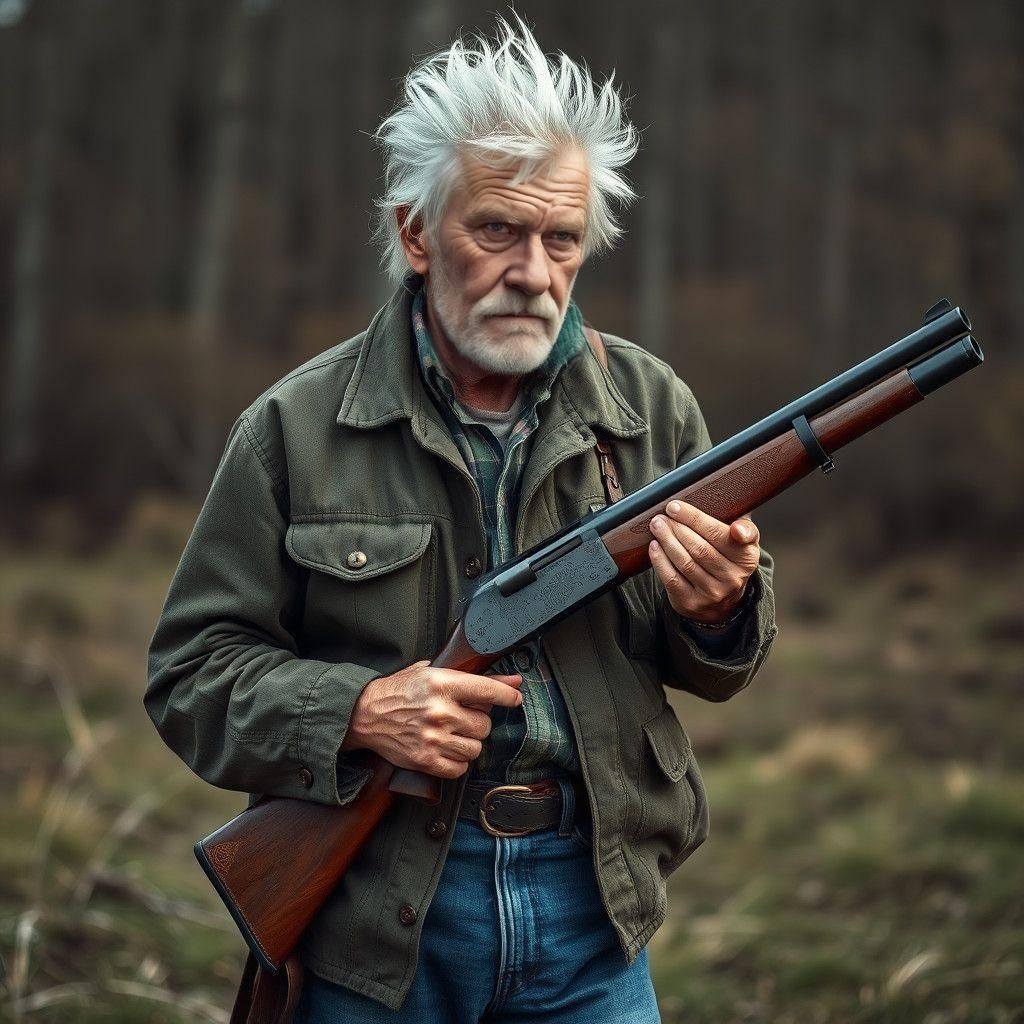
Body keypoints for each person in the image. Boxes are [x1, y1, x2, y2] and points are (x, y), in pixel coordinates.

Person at [146, 15, 778, 1023]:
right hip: (377, 923)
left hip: (592, 912)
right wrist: (358, 709)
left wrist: (720, 608)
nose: (533, 271)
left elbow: (713, 668)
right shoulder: (292, 428)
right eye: (496, 231)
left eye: (561, 238)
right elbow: (189, 676)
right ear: (414, 233)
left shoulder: (651, 408)